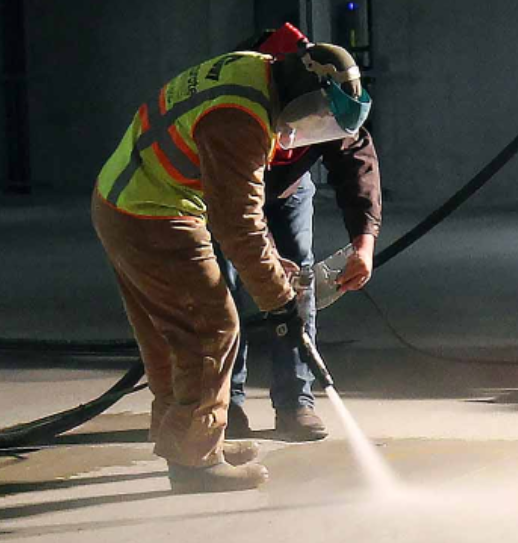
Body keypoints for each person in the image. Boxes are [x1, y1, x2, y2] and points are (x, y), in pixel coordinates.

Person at [91, 39, 372, 493]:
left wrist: (271, 269)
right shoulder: (241, 120)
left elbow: (237, 219)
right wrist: (281, 302)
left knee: (171, 333)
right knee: (212, 329)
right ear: (305, 98)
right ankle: (195, 463)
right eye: (319, 120)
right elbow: (237, 223)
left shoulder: (257, 71)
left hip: (127, 202)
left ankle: (192, 438)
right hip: (154, 214)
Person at [220, 23, 382, 442]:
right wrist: (266, 254)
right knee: (221, 288)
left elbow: (355, 164)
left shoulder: (325, 93)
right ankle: (225, 404)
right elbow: (237, 208)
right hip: (225, 184)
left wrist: (363, 245)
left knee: (300, 284)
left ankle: (296, 401)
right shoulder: (244, 93)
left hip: (287, 185)